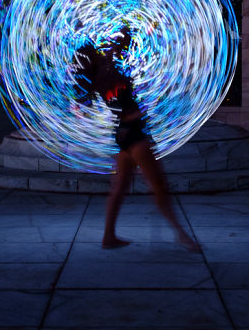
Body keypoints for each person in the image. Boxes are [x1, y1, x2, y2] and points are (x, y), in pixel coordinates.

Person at [74, 27, 200, 252]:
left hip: (123, 132)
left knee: (120, 187)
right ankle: (182, 235)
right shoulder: (108, 72)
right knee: (159, 186)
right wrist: (155, 108)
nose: (103, 47)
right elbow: (124, 101)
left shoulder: (101, 75)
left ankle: (108, 237)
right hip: (133, 131)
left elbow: (115, 95)